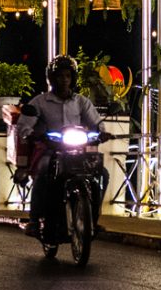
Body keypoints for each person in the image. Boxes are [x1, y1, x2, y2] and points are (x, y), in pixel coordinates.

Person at [17, 57, 102, 242]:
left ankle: (93, 219)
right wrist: (33, 134)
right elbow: (23, 125)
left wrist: (103, 132)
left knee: (101, 174)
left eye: (68, 76)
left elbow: (96, 122)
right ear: (51, 78)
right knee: (43, 170)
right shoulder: (40, 102)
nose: (64, 79)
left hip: (77, 151)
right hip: (52, 150)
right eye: (60, 76)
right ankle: (34, 220)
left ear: (73, 78)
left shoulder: (81, 102)